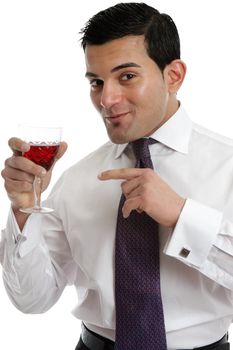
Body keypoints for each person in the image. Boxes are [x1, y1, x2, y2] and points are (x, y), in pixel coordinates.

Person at [0, 2, 233, 349]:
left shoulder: (228, 165)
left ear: (174, 76)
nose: (106, 99)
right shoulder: (77, 180)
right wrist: (23, 210)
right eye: (96, 81)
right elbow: (31, 300)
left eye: (126, 76)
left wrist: (182, 216)